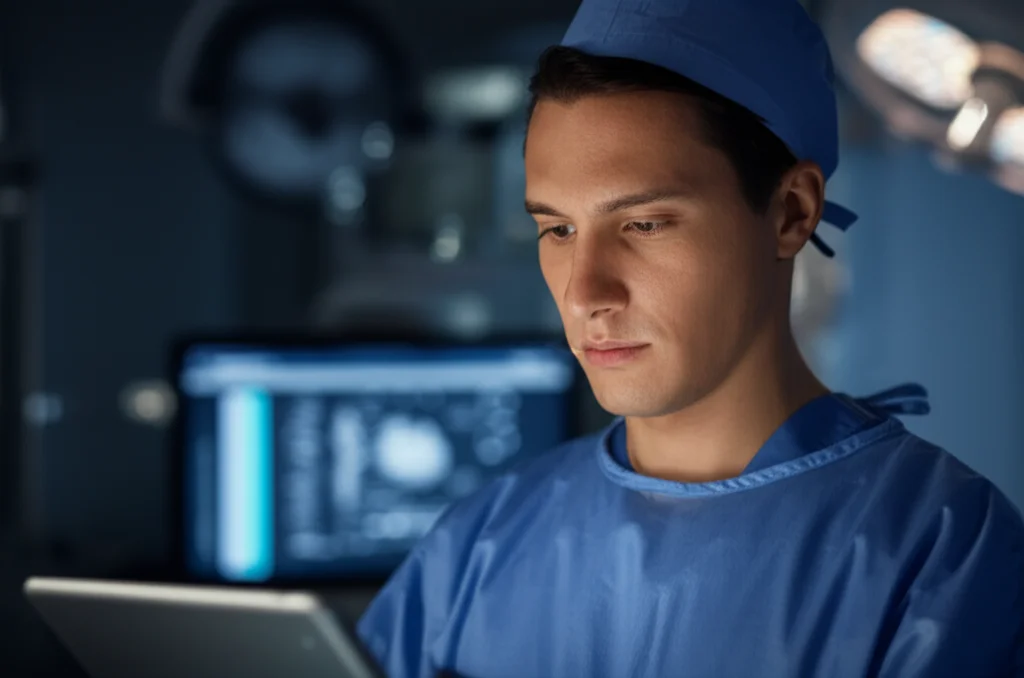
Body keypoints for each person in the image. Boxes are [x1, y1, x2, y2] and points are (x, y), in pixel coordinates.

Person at [357, 0, 1024, 676]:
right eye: (557, 229)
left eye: (644, 224)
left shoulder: (938, 552)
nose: (586, 293)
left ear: (791, 213)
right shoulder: (482, 544)